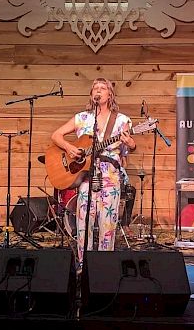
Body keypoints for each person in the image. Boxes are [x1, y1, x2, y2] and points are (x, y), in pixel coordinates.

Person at [51, 77, 136, 270]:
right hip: (87, 177)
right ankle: (83, 266)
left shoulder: (122, 120)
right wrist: (70, 148)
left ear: (109, 94)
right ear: (92, 95)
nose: (98, 90)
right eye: (95, 88)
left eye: (102, 88)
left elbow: (125, 151)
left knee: (107, 226)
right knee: (83, 224)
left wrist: (131, 144)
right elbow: (56, 135)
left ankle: (103, 269)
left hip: (110, 177)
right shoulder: (82, 118)